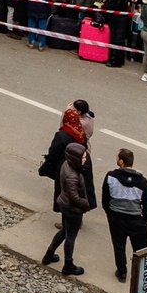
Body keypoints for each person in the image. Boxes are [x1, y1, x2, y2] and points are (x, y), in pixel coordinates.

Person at [40, 101, 95, 274]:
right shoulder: (74, 172)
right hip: (72, 208)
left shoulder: (65, 165)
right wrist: (84, 205)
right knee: (70, 235)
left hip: (65, 204)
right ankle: (68, 265)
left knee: (64, 231)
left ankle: (49, 254)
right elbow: (75, 194)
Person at [101, 149, 147, 283]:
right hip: (136, 221)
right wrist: (144, 219)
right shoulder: (142, 181)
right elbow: (146, 203)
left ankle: (122, 273)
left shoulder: (111, 177)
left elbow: (105, 199)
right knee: (140, 251)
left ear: (121, 161)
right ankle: (139, 276)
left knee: (119, 246)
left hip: (117, 219)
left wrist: (109, 214)